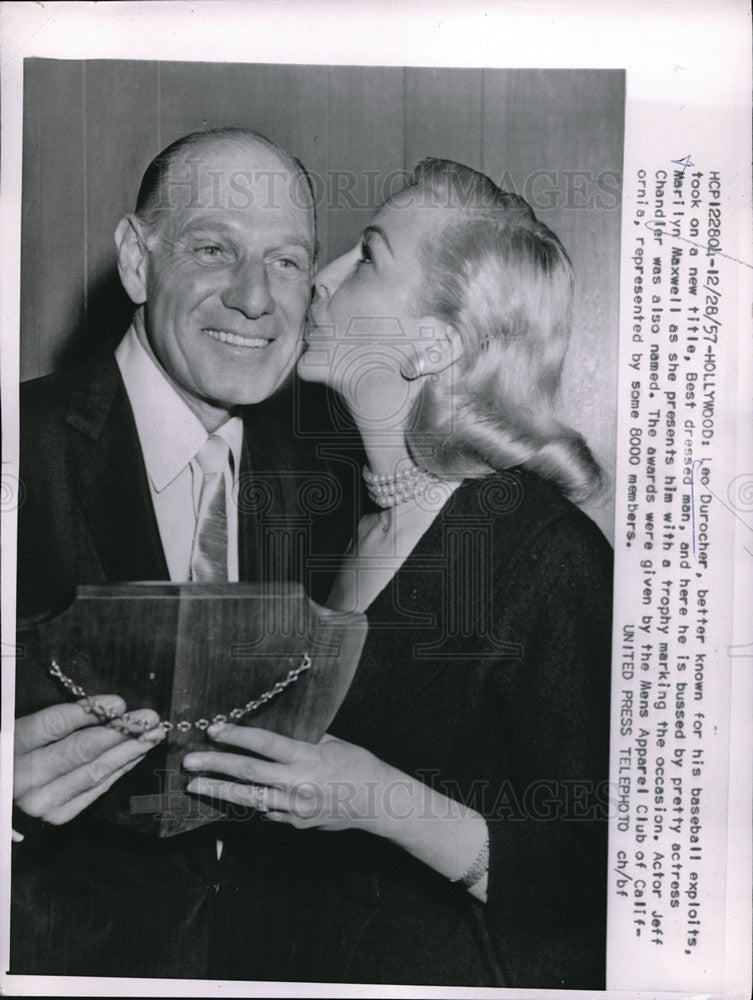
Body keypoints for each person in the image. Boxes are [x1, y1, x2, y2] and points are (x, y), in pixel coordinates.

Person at [182, 159, 613, 989]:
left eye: (368, 256)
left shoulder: (546, 555)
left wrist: (377, 799)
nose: (323, 277)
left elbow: (605, 867)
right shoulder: (332, 518)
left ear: (433, 342)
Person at [12, 127, 348, 978]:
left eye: (284, 261)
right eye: (212, 248)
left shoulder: (329, 472)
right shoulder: (18, 445)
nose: (253, 298)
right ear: (136, 261)